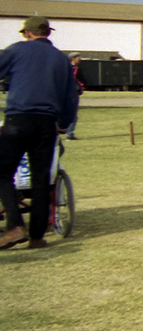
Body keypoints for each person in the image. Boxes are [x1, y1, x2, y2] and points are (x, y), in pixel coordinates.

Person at [0, 16, 80, 250]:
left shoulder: (17, 51)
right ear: (48, 33)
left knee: (3, 172)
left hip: (19, 119)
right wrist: (64, 123)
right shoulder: (62, 60)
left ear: (26, 33)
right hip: (47, 124)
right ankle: (37, 236)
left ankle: (15, 226)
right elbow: (70, 97)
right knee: (41, 179)